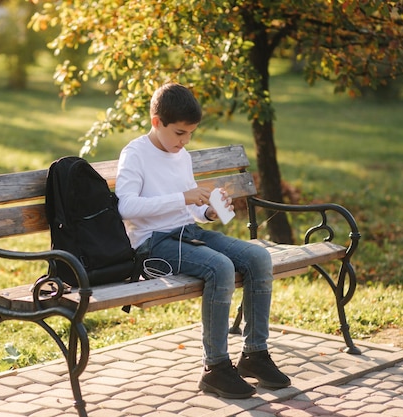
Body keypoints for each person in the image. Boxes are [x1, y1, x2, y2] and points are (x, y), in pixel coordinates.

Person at [115, 83, 290, 399]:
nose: (185, 141)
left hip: (187, 233)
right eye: (180, 133)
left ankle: (254, 354)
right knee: (220, 267)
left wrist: (208, 210)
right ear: (156, 122)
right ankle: (216, 368)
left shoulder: (180, 155)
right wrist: (183, 197)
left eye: (190, 134)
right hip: (151, 244)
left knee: (259, 258)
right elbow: (126, 207)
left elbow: (189, 206)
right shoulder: (136, 154)